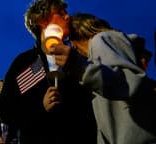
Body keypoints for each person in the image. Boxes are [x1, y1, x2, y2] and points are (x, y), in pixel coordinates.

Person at [0, 0, 96, 144]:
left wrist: (78, 67)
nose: (68, 16)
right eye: (61, 13)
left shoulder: (80, 55)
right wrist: (39, 107)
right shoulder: (25, 62)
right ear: (42, 21)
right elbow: (6, 110)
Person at [49, 13, 156, 144]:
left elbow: (128, 84)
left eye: (71, 40)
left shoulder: (100, 39)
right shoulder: (102, 51)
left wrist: (79, 67)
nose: (73, 47)